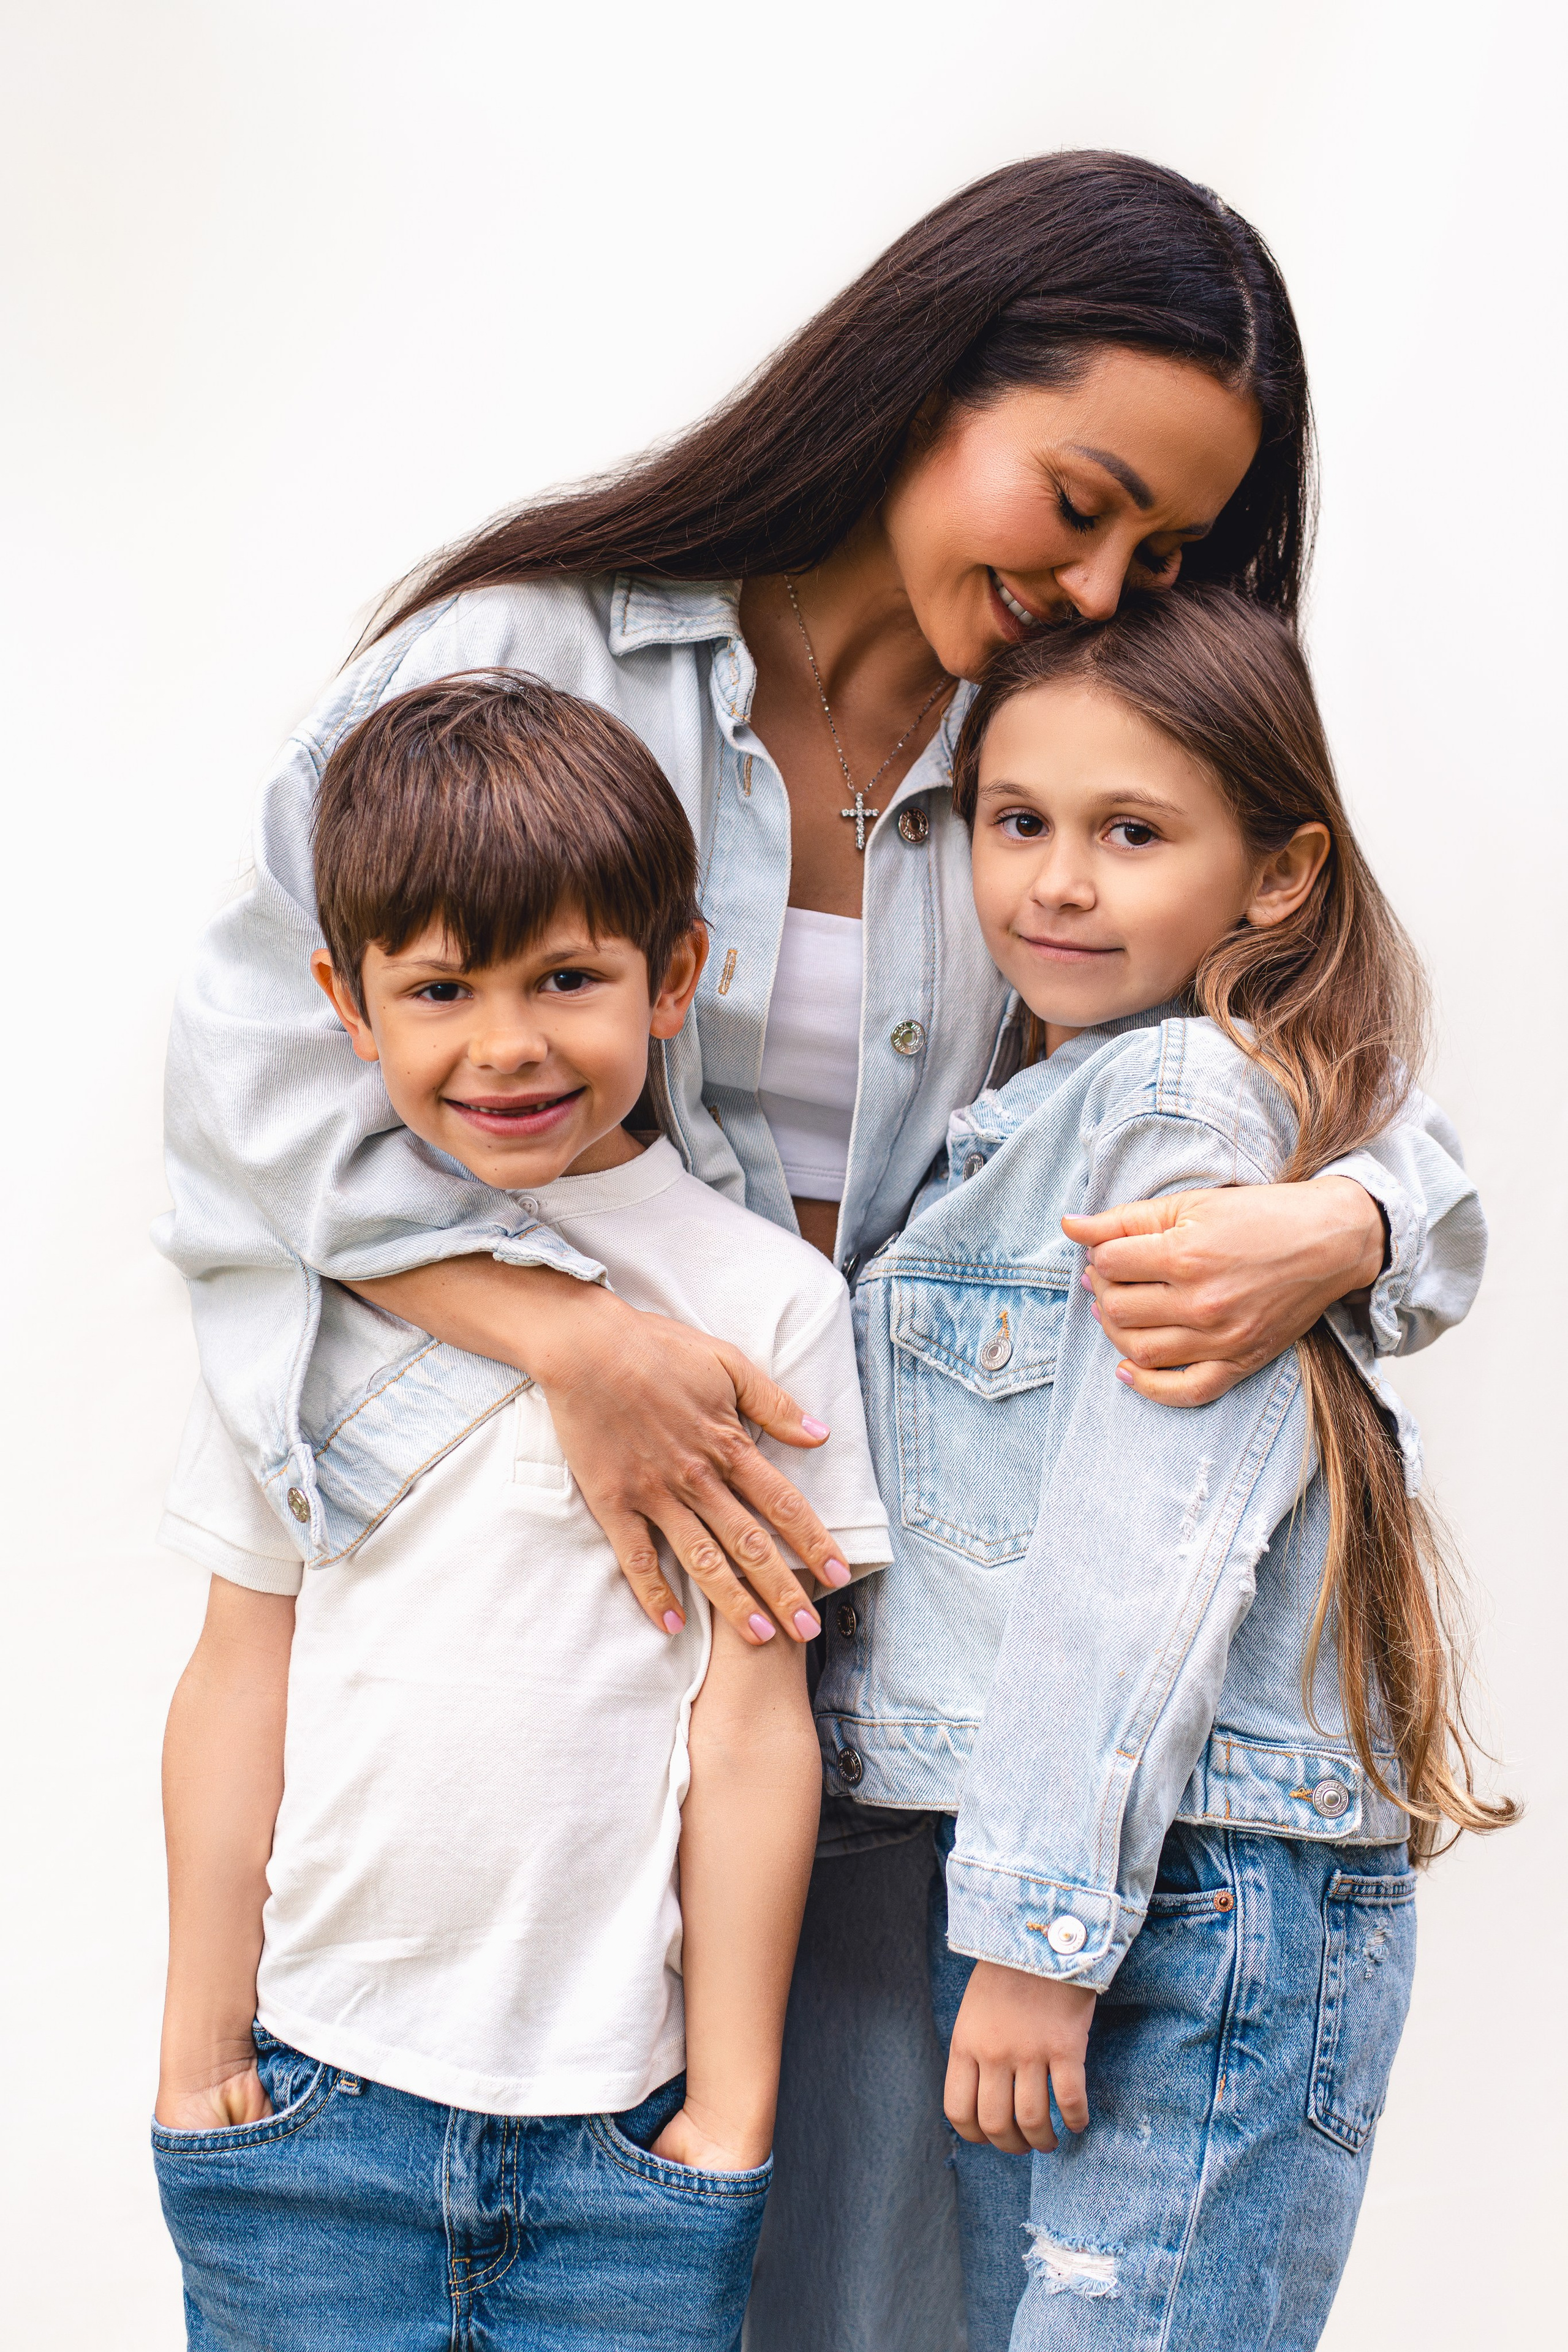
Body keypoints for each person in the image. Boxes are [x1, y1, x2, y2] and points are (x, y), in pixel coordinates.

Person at [156, 155, 1484, 2343]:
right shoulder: (529, 658)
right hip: (577, 1669)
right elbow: (246, 1093)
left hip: (901, 1686)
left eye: (1161, 552)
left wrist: (1351, 1214)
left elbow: (1288, 1026)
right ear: (924, 380)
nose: (1101, 583)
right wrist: (570, 1347)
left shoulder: (1061, 757)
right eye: (1078, 502)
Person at [151, 674, 892, 2350]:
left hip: (627, 2142)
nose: (507, 1045)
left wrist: (730, 2115)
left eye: (568, 978)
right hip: (307, 2106)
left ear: (676, 975)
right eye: (441, 988)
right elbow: (235, 1674)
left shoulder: (764, 1308)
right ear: (347, 1001)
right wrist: (203, 2055)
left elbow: (757, 1727)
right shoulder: (313, 1289)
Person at [820, 586, 1509, 2350]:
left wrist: (1040, 1943)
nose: (1056, 881)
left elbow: (1135, 1565)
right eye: (1016, 821)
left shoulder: (1178, 1110)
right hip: (1108, 1877)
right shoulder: (1046, 1101)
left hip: (1171, 1902)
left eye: (1131, 833)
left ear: (1277, 877)